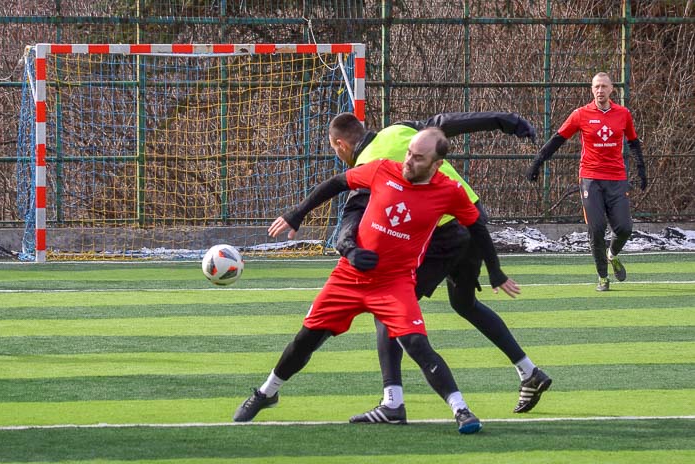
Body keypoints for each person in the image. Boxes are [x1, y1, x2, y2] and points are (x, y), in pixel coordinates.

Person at [233, 128, 512, 434]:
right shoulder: (382, 169)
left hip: (394, 283)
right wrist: (297, 214)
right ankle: (266, 393)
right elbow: (336, 183)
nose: (409, 161)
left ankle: (461, 410)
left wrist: (495, 271)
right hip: (348, 277)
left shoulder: (449, 191)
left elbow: (478, 228)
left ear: (436, 165)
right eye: (408, 153)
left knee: (417, 344)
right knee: (306, 340)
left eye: (418, 158)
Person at [330, 111, 552, 422]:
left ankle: (392, 402)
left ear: (340, 145)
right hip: (473, 225)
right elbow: (448, 122)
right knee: (465, 304)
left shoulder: (369, 163)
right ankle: (529, 371)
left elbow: (352, 215)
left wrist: (347, 248)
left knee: (388, 309)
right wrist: (507, 121)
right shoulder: (401, 130)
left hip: (442, 237)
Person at [526, 72, 647, 291]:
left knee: (625, 228)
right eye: (596, 87)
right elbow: (557, 139)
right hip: (590, 179)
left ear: (612, 90)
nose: (600, 90)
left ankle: (612, 254)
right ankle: (602, 277)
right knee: (597, 227)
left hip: (617, 178)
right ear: (592, 90)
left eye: (604, 86)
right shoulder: (580, 114)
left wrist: (641, 168)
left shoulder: (623, 114)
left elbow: (633, 142)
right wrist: (537, 163)